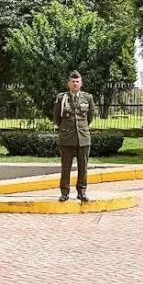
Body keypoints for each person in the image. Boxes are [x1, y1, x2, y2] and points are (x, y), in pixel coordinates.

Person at [54, 71, 96, 203]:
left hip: (83, 137)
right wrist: (65, 128)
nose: (75, 83)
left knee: (83, 167)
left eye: (77, 81)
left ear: (81, 83)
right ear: (68, 83)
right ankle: (64, 192)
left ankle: (82, 192)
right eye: (72, 81)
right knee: (65, 167)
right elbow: (57, 117)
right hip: (66, 138)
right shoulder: (62, 97)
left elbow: (90, 116)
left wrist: (81, 128)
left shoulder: (87, 98)